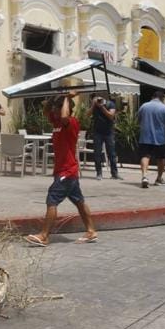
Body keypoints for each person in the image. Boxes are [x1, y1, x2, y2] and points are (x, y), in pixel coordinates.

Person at [24, 91, 97, 246]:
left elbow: (64, 116)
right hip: (67, 172)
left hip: (67, 171)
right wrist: (58, 95)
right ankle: (91, 231)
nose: (54, 111)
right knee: (79, 202)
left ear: (65, 109)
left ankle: (44, 236)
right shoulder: (57, 123)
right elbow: (45, 110)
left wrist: (67, 97)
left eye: (57, 108)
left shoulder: (72, 122)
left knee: (52, 200)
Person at [136, 91, 165, 188]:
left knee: (145, 156)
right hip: (160, 137)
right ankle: (159, 178)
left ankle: (144, 176)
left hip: (145, 137)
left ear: (152, 97)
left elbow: (138, 120)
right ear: (162, 98)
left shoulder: (143, 106)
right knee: (161, 158)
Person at [90, 92, 121, 181]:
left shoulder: (110, 104)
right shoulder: (94, 105)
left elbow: (111, 116)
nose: (99, 100)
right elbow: (87, 114)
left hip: (109, 132)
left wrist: (102, 107)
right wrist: (93, 105)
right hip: (97, 132)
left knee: (112, 153)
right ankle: (99, 173)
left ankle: (114, 173)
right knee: (97, 153)